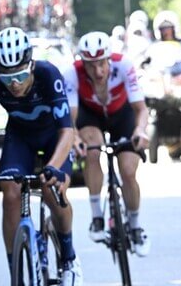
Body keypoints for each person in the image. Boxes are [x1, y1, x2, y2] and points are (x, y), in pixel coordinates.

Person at [0, 27, 83, 286]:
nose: (14, 84)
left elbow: (67, 132)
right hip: (19, 137)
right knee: (10, 193)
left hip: (53, 136)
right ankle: (16, 282)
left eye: (21, 76)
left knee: (52, 190)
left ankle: (69, 258)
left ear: (31, 65)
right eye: (7, 77)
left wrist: (54, 167)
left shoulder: (48, 74)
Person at [63, 31, 151, 256]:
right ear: (83, 62)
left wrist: (140, 131)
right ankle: (97, 217)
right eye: (91, 66)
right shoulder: (73, 73)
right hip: (90, 116)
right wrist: (75, 138)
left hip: (122, 115)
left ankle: (136, 225)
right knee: (92, 150)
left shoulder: (124, 66)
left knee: (128, 171)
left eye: (101, 64)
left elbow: (141, 109)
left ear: (109, 59)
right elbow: (70, 118)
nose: (98, 71)